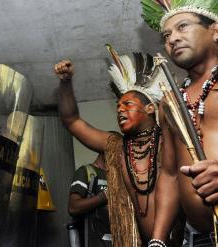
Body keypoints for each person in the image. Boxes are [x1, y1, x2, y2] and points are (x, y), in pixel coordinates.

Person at [140, 1, 218, 246]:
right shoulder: (170, 103)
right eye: (166, 35)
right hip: (199, 239)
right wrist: (157, 240)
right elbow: (169, 175)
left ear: (216, 30)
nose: (172, 39)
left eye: (182, 27)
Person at [54, 47, 180, 246]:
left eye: (128, 105)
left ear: (149, 108)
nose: (120, 110)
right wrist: (65, 83)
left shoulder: (170, 139)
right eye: (118, 107)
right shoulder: (117, 147)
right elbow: (71, 120)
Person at [68, 153, 111, 247]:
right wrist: (103, 196)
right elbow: (73, 207)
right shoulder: (85, 172)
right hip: (93, 241)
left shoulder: (117, 176)